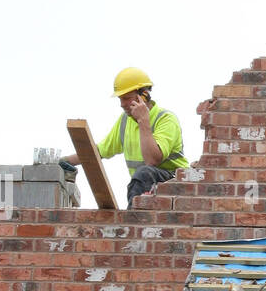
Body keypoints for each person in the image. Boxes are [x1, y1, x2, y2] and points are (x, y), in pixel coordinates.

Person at [61, 67, 188, 205]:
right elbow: (99, 151)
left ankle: (133, 222)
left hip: (177, 184)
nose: (122, 104)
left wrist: (143, 121)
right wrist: (64, 161)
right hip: (146, 186)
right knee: (142, 176)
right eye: (120, 99)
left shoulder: (165, 119)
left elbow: (152, 160)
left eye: (126, 98)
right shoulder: (125, 121)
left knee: (144, 173)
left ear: (144, 95)